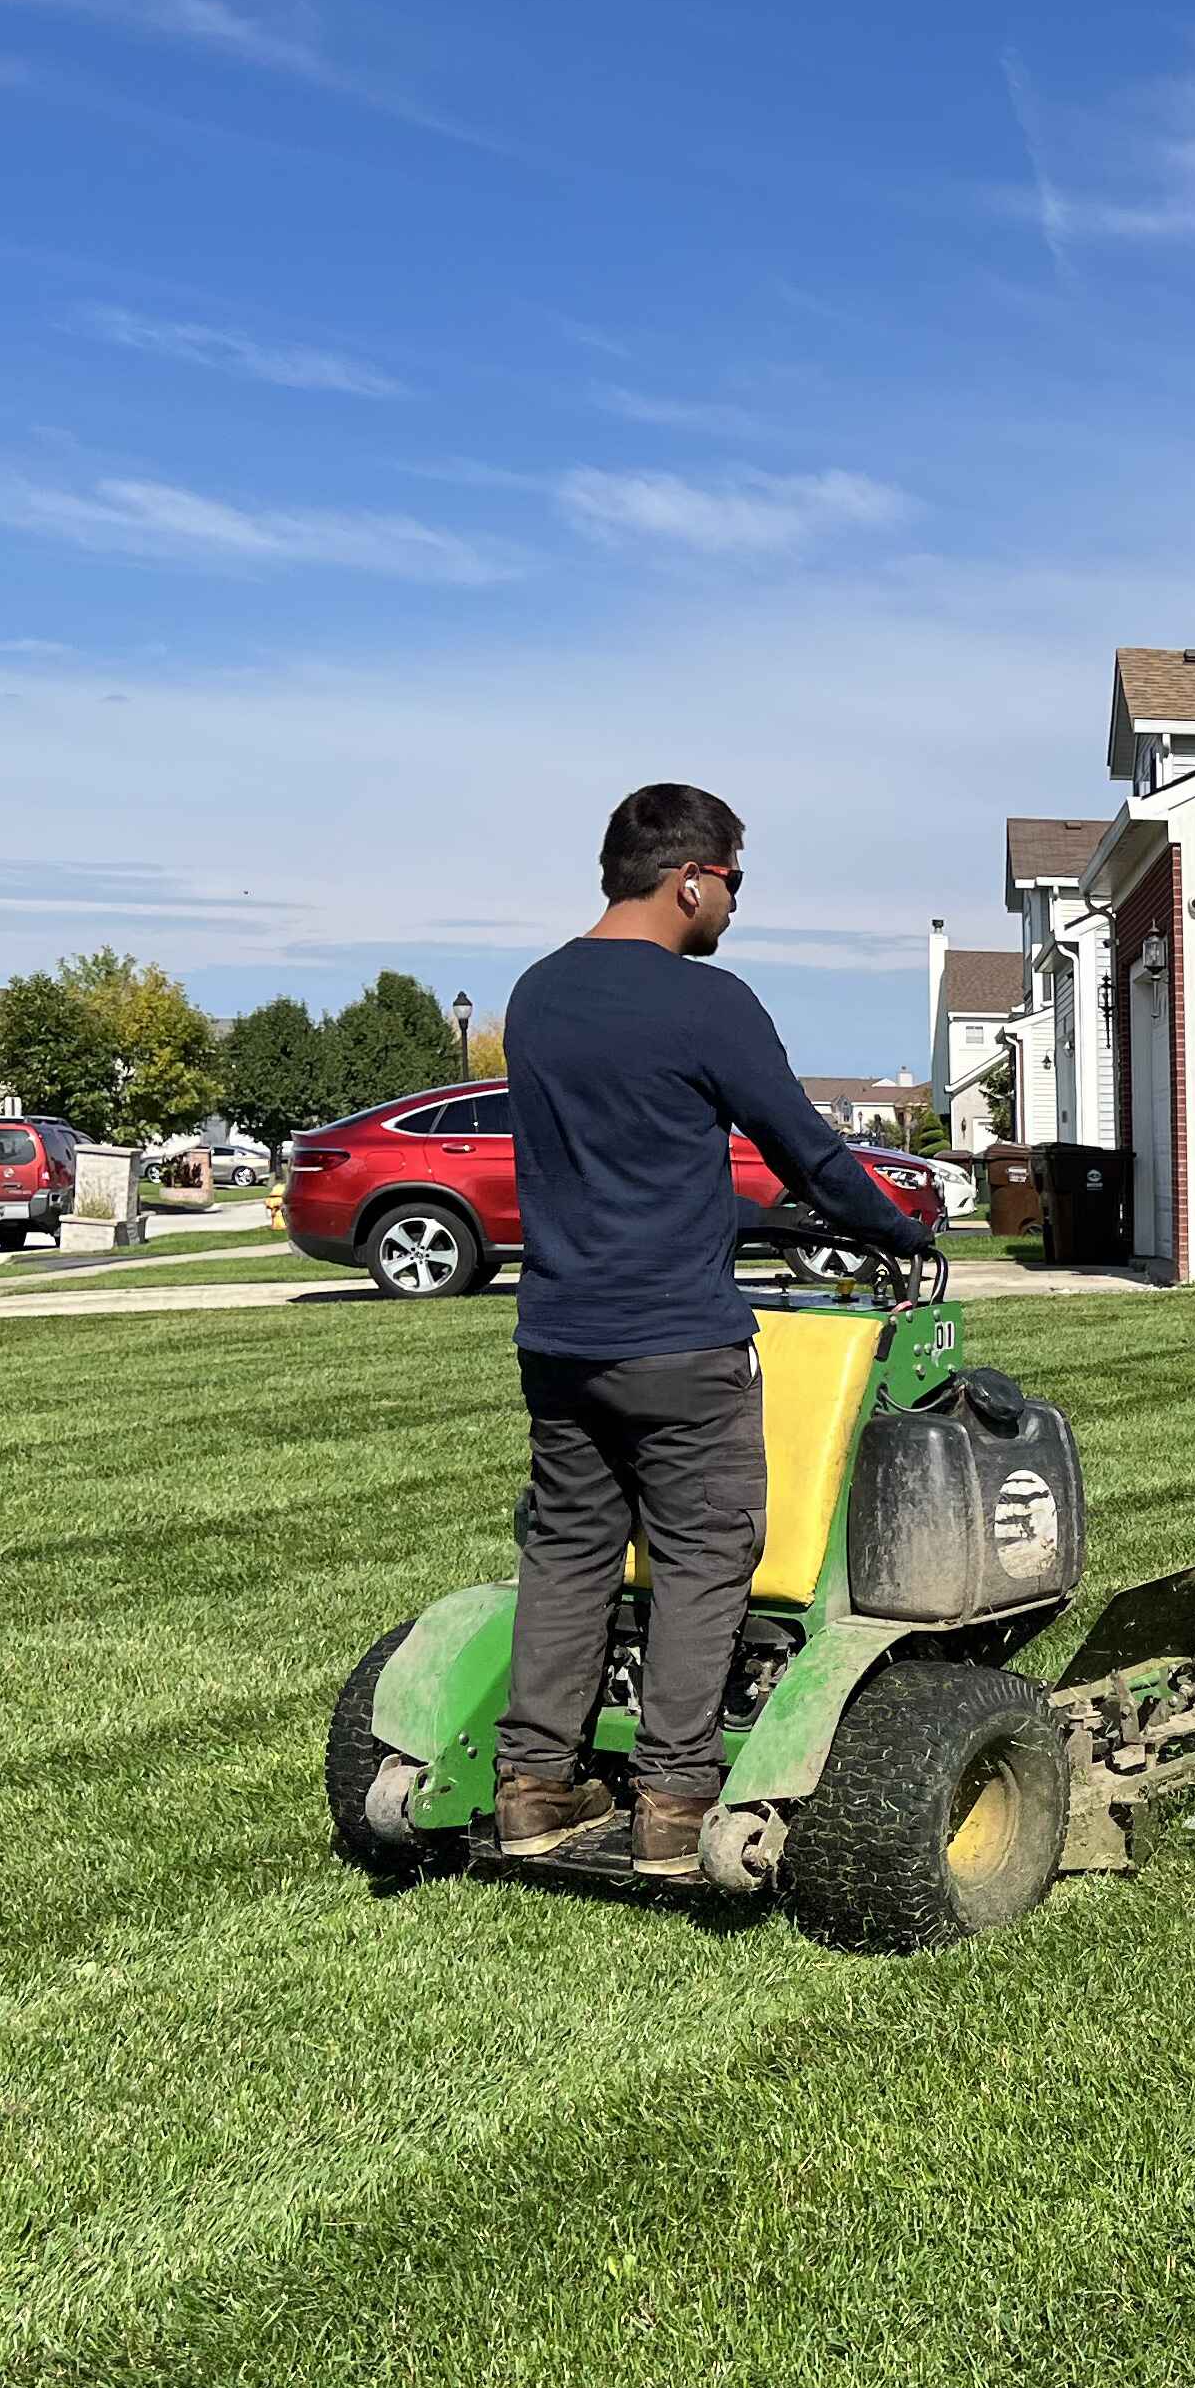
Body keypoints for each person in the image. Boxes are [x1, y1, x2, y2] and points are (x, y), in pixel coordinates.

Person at [490, 783, 928, 1876]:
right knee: (703, 1553)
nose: (736, 902)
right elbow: (807, 1151)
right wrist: (898, 1226)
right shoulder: (707, 1002)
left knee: (570, 1553)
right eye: (734, 879)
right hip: (679, 1345)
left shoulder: (536, 995)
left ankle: (535, 1788)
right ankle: (675, 1801)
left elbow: (614, 1165)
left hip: (559, 1340)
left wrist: (737, 1215)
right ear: (689, 879)